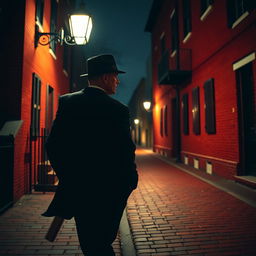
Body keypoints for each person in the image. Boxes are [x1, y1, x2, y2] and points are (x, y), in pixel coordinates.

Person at [43, 54, 138, 256]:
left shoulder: (68, 102)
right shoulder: (118, 110)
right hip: (111, 190)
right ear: (105, 78)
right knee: (102, 243)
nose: (118, 81)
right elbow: (125, 151)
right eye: (115, 76)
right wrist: (130, 182)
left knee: (90, 243)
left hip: (79, 191)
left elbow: (54, 145)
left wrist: (68, 176)